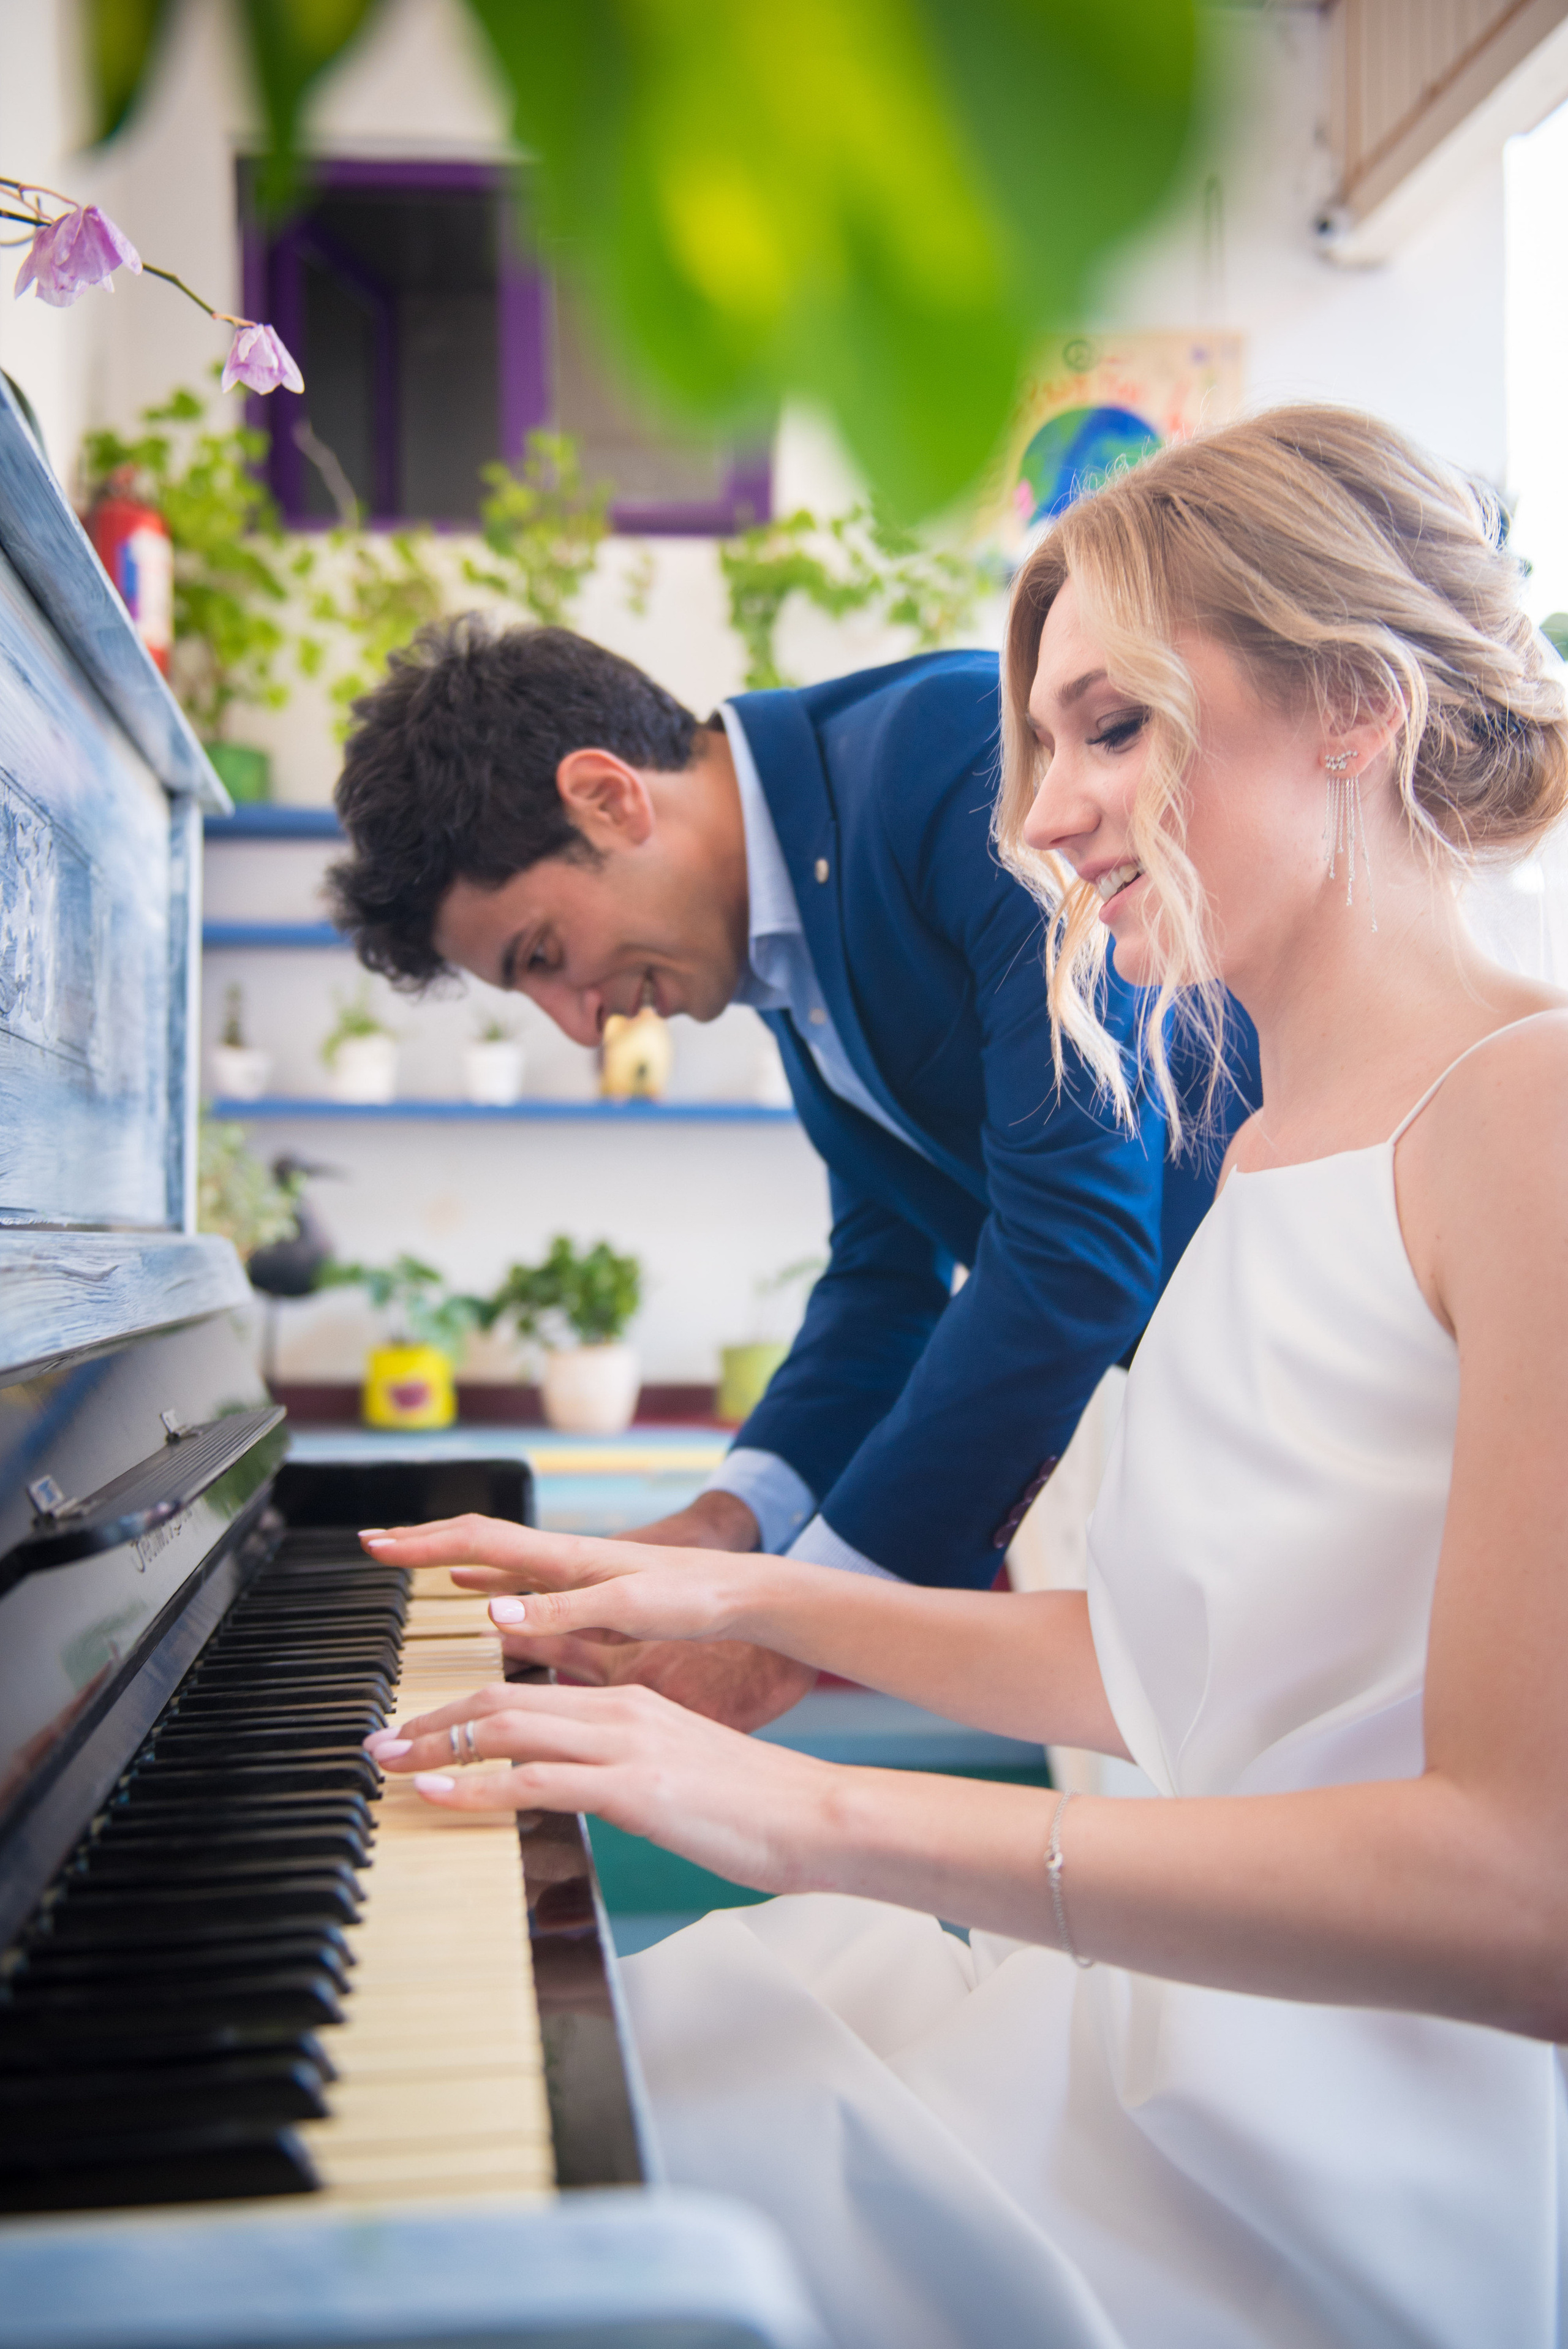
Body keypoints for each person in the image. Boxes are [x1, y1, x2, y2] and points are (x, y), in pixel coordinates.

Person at [359, 405, 1568, 2348]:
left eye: (1114, 728)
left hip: (1335, 2164)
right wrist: (728, 1576)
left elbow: (1529, 1894)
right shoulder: (1255, 1147)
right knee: (621, 2094)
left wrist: (794, 1788)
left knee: (605, 2176)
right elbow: (1167, 1622)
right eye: (1040, 745)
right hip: (1175, 2044)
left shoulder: (1528, 1120)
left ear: (1356, 703)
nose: (1040, 816)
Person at [329, 625, 1256, 1728]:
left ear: (607, 799)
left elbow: (1078, 1252)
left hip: (1342, 1353)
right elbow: (885, 1278)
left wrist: (796, 1623)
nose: (578, 1021)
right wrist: (725, 1526)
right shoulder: (781, 932)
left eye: (541, 954)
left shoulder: (957, 753)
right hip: (1228, 1396)